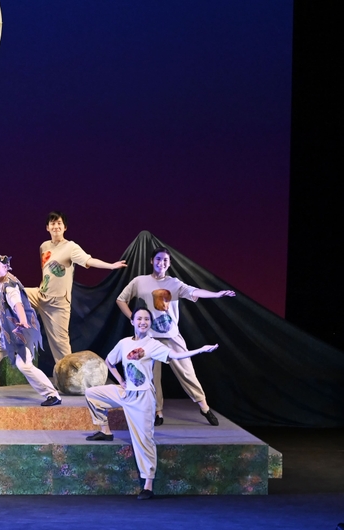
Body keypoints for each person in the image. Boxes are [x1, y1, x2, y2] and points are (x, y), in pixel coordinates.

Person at [84, 307, 219, 500]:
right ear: (132, 322)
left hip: (143, 398)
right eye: (139, 319)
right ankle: (105, 431)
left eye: (147, 319)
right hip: (126, 392)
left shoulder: (153, 345)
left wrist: (199, 351)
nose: (143, 322)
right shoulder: (124, 343)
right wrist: (121, 381)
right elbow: (109, 361)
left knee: (144, 440)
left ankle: (148, 484)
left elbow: (175, 356)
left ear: (150, 324)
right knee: (91, 393)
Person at [116, 247, 235, 426]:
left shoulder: (175, 283)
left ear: (169, 263)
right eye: (158, 259)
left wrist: (216, 294)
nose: (161, 263)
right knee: (152, 377)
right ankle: (158, 412)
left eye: (165, 260)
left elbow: (195, 292)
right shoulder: (140, 281)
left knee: (187, 372)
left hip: (171, 336)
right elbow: (121, 299)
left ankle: (204, 407)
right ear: (152, 261)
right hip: (149, 338)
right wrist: (134, 318)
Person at [25, 212, 127, 363]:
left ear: (65, 227)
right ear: (47, 227)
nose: (56, 226)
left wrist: (110, 266)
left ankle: (70, 374)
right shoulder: (44, 246)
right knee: (15, 293)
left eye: (59, 223)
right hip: (41, 295)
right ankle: (11, 333)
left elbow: (89, 260)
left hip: (58, 304)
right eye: (52, 223)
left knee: (62, 348)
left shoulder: (70, 247)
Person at [0, 253, 61, 406]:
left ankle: (52, 395)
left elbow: (17, 304)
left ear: (6, 267)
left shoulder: (10, 287)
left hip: (20, 334)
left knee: (24, 365)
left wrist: (23, 321)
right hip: (7, 335)